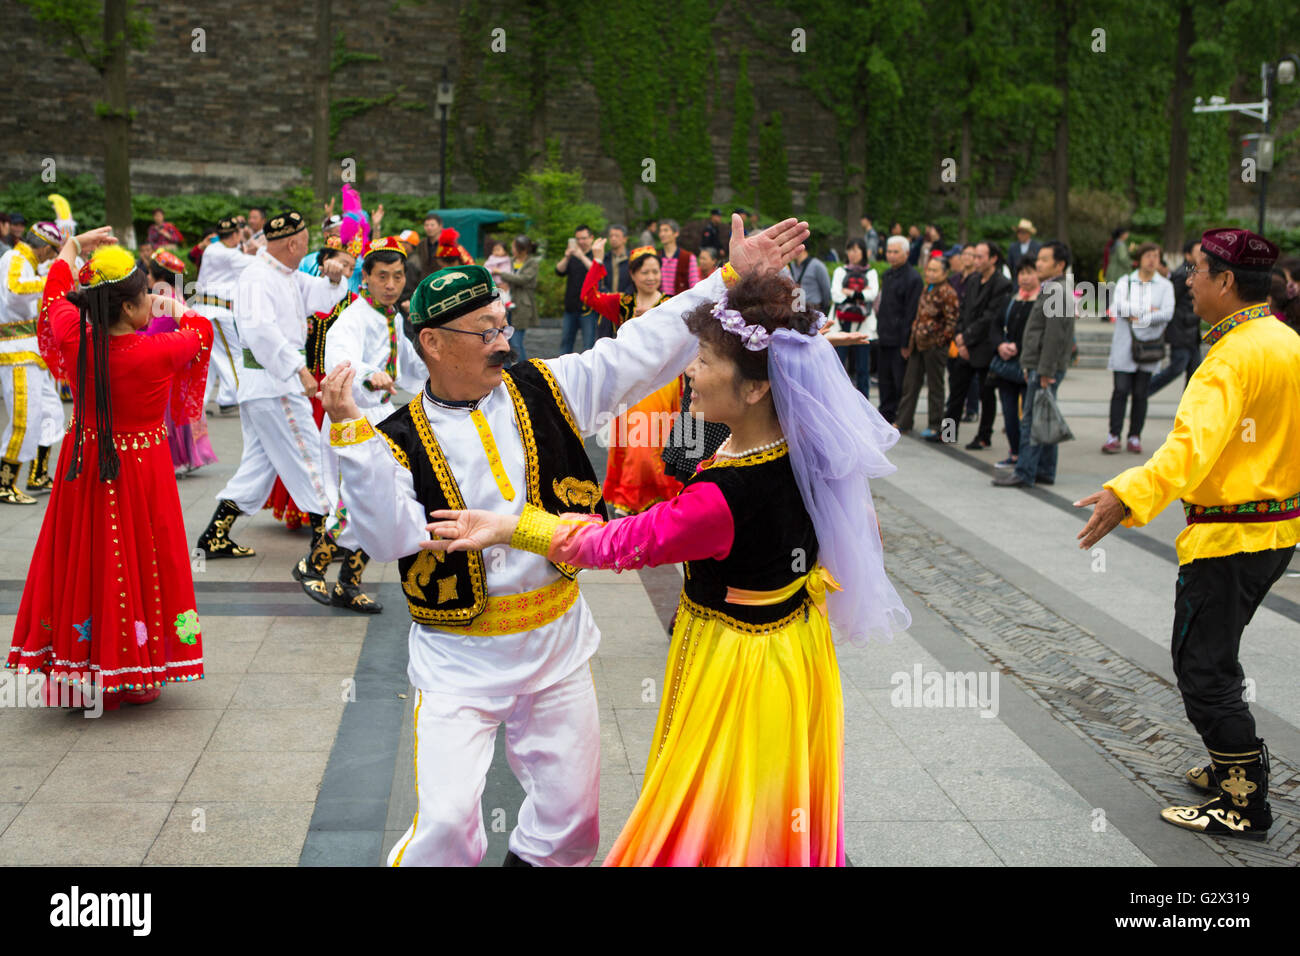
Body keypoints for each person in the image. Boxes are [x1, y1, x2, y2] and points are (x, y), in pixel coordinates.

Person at [318, 214, 810, 867]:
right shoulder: (399, 437)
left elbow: (643, 345)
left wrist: (726, 279)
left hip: (557, 645)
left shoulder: (547, 388)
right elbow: (385, 537)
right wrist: (351, 433)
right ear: (433, 343)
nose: (504, 340)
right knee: (446, 826)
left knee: (571, 823)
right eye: (487, 331)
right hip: (458, 659)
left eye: (505, 324)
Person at [421, 267, 911, 866]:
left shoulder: (722, 497)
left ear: (757, 388)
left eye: (704, 360)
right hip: (798, 648)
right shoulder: (801, 444)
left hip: (740, 658)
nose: (690, 372)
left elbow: (617, 543)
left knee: (720, 791)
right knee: (772, 787)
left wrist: (511, 525)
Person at [1076, 228, 1300, 841]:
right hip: (1275, 535)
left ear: (1226, 281)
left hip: (1228, 541)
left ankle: (1244, 800)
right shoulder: (1284, 341)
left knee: (1202, 668)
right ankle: (1231, 767)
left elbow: (1187, 452)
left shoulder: (1230, 357)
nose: (1186, 279)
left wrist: (1126, 494)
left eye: (1196, 269)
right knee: (1217, 655)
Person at [6, 227, 211, 708]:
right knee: (143, 557)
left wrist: (73, 246)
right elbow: (199, 333)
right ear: (126, 307)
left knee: (84, 555)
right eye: (146, 296)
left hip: (84, 462)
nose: (152, 302)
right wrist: (175, 309)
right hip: (141, 467)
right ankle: (135, 667)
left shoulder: (76, 337)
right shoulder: (158, 350)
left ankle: (80, 666)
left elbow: (57, 292)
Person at [193, 210, 351, 598]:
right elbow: (259, 331)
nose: (308, 246)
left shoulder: (285, 274)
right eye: (305, 241)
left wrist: (335, 275)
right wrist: (298, 369)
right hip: (274, 383)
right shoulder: (256, 276)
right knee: (309, 456)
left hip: (269, 383)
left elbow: (324, 297)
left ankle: (215, 535)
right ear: (293, 244)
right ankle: (325, 541)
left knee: (257, 468)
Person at [314, 236, 426, 612]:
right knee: (355, 501)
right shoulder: (354, 317)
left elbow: (411, 367)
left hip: (379, 418)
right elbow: (340, 359)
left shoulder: (392, 317)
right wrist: (369, 373)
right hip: (352, 418)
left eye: (397, 277)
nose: (391, 285)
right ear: (366, 277)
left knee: (377, 500)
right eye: (383, 277)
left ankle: (347, 583)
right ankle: (312, 565)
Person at [581, 241, 681, 515]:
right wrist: (598, 261)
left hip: (663, 382)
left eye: (655, 271)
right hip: (631, 379)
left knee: (656, 438)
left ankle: (651, 493)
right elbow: (589, 296)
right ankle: (632, 495)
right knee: (633, 441)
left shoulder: (670, 304)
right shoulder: (623, 304)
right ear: (634, 276)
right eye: (645, 272)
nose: (651, 277)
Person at [993, 240, 1075, 488]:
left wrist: (1045, 370)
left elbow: (1055, 336)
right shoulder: (1053, 288)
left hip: (1044, 367)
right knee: (1044, 416)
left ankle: (1025, 471)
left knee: (1031, 419)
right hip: (1041, 365)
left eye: (1044, 260)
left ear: (1059, 265)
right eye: (1038, 259)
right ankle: (1045, 471)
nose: (1038, 264)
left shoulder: (1057, 290)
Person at [0, 221, 66, 504]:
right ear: (42, 247)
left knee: (52, 413)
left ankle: (37, 474)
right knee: (23, 419)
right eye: (51, 252)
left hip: (33, 351)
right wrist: (49, 283)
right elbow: (14, 290)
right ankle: (4, 483)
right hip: (16, 351)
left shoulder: (29, 263)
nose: (51, 256)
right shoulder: (14, 258)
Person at [144, 249, 218, 475]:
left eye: (149, 273)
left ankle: (173, 460)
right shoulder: (173, 296)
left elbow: (151, 338)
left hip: (167, 367)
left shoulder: (165, 301)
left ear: (159, 276)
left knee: (169, 417)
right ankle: (179, 458)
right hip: (175, 363)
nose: (147, 277)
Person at [1103, 242, 1173, 455]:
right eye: (1148, 255)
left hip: (1149, 347)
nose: (1152, 260)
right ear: (1140, 259)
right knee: (1120, 390)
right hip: (1125, 345)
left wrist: (1139, 316)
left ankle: (1135, 436)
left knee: (1141, 393)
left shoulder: (1165, 286)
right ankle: (1114, 435)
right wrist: (1150, 311)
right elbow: (1118, 306)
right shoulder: (1127, 281)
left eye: (1156, 256)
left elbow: (1168, 313)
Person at [945, 241, 1012, 448]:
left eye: (980, 257)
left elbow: (990, 317)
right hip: (965, 343)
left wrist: (967, 338)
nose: (976, 261)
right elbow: (963, 311)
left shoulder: (1002, 284)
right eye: (975, 256)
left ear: (993, 259)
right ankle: (947, 433)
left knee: (986, 394)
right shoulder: (973, 280)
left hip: (984, 346)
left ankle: (984, 436)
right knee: (956, 391)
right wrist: (960, 337)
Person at [191, 216, 254, 413]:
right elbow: (255, 263)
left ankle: (200, 402)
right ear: (235, 234)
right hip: (216, 312)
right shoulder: (227, 255)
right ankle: (235, 397)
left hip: (209, 310)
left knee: (210, 360)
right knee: (232, 355)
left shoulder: (213, 249)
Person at [897, 255, 959, 437]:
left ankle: (936, 425)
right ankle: (903, 421)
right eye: (928, 270)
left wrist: (940, 342)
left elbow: (951, 322)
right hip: (918, 343)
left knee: (935, 387)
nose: (930, 273)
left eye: (934, 270)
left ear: (944, 273)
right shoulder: (927, 288)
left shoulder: (948, 292)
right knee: (910, 384)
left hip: (935, 346)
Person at [988, 259, 1040, 468]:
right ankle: (1015, 452)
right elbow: (995, 326)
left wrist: (1018, 347)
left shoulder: (1042, 302)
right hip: (1006, 366)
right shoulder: (1010, 300)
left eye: (1029, 272)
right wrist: (1000, 345)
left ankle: (1028, 459)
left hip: (1028, 365)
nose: (1025, 278)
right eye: (1021, 273)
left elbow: (1037, 334)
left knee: (1028, 416)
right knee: (1009, 413)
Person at [875, 235, 923, 424]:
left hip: (900, 337)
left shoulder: (913, 278)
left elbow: (911, 312)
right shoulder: (887, 275)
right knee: (884, 379)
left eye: (896, 252)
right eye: (889, 251)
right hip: (884, 334)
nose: (891, 256)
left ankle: (902, 418)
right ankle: (885, 413)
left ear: (907, 254)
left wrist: (906, 342)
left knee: (900, 381)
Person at [1149, 240, 1204, 396]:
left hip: (1192, 332)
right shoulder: (1182, 274)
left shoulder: (1195, 271)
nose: (1201, 255)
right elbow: (1172, 301)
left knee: (1194, 373)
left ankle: (1190, 407)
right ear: (1187, 255)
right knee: (1177, 368)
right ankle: (1144, 391)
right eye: (1197, 252)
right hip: (1181, 331)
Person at [829, 238, 877, 399]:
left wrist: (849, 292)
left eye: (856, 250)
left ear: (863, 252)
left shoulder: (871, 273)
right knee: (838, 366)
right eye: (850, 250)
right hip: (841, 324)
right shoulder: (840, 272)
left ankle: (864, 406)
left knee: (863, 369)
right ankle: (837, 401)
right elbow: (836, 294)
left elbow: (872, 294)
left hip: (863, 325)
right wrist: (860, 294)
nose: (853, 254)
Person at [492, 235, 539, 363]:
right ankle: (507, 371)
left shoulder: (532, 263)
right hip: (506, 303)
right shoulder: (510, 261)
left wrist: (501, 274)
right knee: (505, 340)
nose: (511, 249)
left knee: (517, 342)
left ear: (522, 249)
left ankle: (523, 370)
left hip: (522, 305)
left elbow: (523, 279)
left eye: (513, 247)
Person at [555, 224, 598, 354]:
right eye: (578, 239)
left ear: (591, 238)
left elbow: (597, 272)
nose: (581, 242)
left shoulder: (596, 254)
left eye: (584, 238)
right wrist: (567, 256)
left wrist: (582, 257)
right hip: (571, 307)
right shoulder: (572, 256)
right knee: (566, 343)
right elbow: (559, 270)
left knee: (588, 346)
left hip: (589, 309)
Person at [658, 219, 699, 296]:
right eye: (660, 231)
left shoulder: (688, 257)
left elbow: (694, 286)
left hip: (680, 304)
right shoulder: (657, 257)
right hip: (660, 304)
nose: (662, 234)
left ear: (676, 233)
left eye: (666, 230)